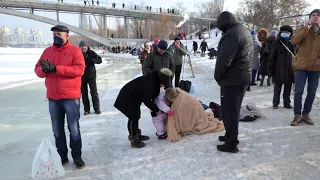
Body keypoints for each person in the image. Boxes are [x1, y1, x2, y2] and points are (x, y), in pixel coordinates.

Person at [34, 25, 85, 168]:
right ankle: (62, 156)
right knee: (57, 130)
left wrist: (56, 69)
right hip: (53, 98)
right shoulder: (47, 51)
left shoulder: (75, 51)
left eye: (59, 34)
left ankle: (77, 156)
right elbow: (37, 69)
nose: (56, 36)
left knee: (73, 129)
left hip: (70, 97)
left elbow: (79, 69)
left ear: (66, 36)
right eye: (54, 34)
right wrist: (43, 70)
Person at [214, 11, 252, 153]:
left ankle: (231, 143)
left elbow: (224, 59)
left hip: (232, 79)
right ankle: (229, 135)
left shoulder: (231, 34)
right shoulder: (242, 30)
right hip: (242, 77)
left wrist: (218, 76)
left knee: (230, 111)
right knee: (232, 110)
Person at [114, 68, 173, 148]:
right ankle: (134, 139)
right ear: (160, 81)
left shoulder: (154, 79)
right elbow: (147, 100)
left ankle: (137, 135)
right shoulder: (151, 84)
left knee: (136, 116)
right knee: (132, 117)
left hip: (134, 97)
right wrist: (156, 110)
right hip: (127, 97)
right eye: (163, 84)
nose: (163, 86)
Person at [290, 9, 320, 126]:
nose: (315, 17)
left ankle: (306, 114)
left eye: (318, 15)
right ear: (310, 18)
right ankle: (297, 115)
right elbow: (294, 41)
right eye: (313, 15)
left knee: (311, 92)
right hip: (301, 67)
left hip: (316, 68)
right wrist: (305, 30)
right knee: (298, 92)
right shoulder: (303, 30)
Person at [268, 25, 295, 109]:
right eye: (283, 32)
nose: (285, 34)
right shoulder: (276, 43)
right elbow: (272, 57)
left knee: (288, 88)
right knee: (277, 87)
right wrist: (270, 69)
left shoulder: (293, 43)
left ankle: (287, 103)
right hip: (278, 69)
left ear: (290, 34)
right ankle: (275, 103)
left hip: (290, 70)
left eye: (287, 32)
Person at [78, 40, 102, 115]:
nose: (84, 47)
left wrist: (92, 60)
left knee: (94, 93)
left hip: (91, 76)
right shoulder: (78, 54)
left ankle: (97, 109)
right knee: (84, 94)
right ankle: (86, 109)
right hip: (82, 76)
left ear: (87, 46)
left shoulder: (91, 53)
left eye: (85, 46)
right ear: (80, 47)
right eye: (82, 46)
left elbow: (99, 60)